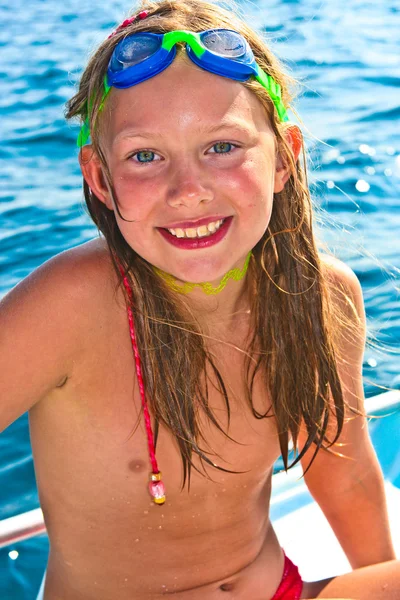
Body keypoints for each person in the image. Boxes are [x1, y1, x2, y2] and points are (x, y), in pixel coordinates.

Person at [1, 0, 399, 598]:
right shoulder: (69, 307)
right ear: (100, 179)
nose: (188, 191)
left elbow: (342, 477)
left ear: (285, 157)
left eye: (222, 147)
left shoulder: (321, 295)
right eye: (145, 156)